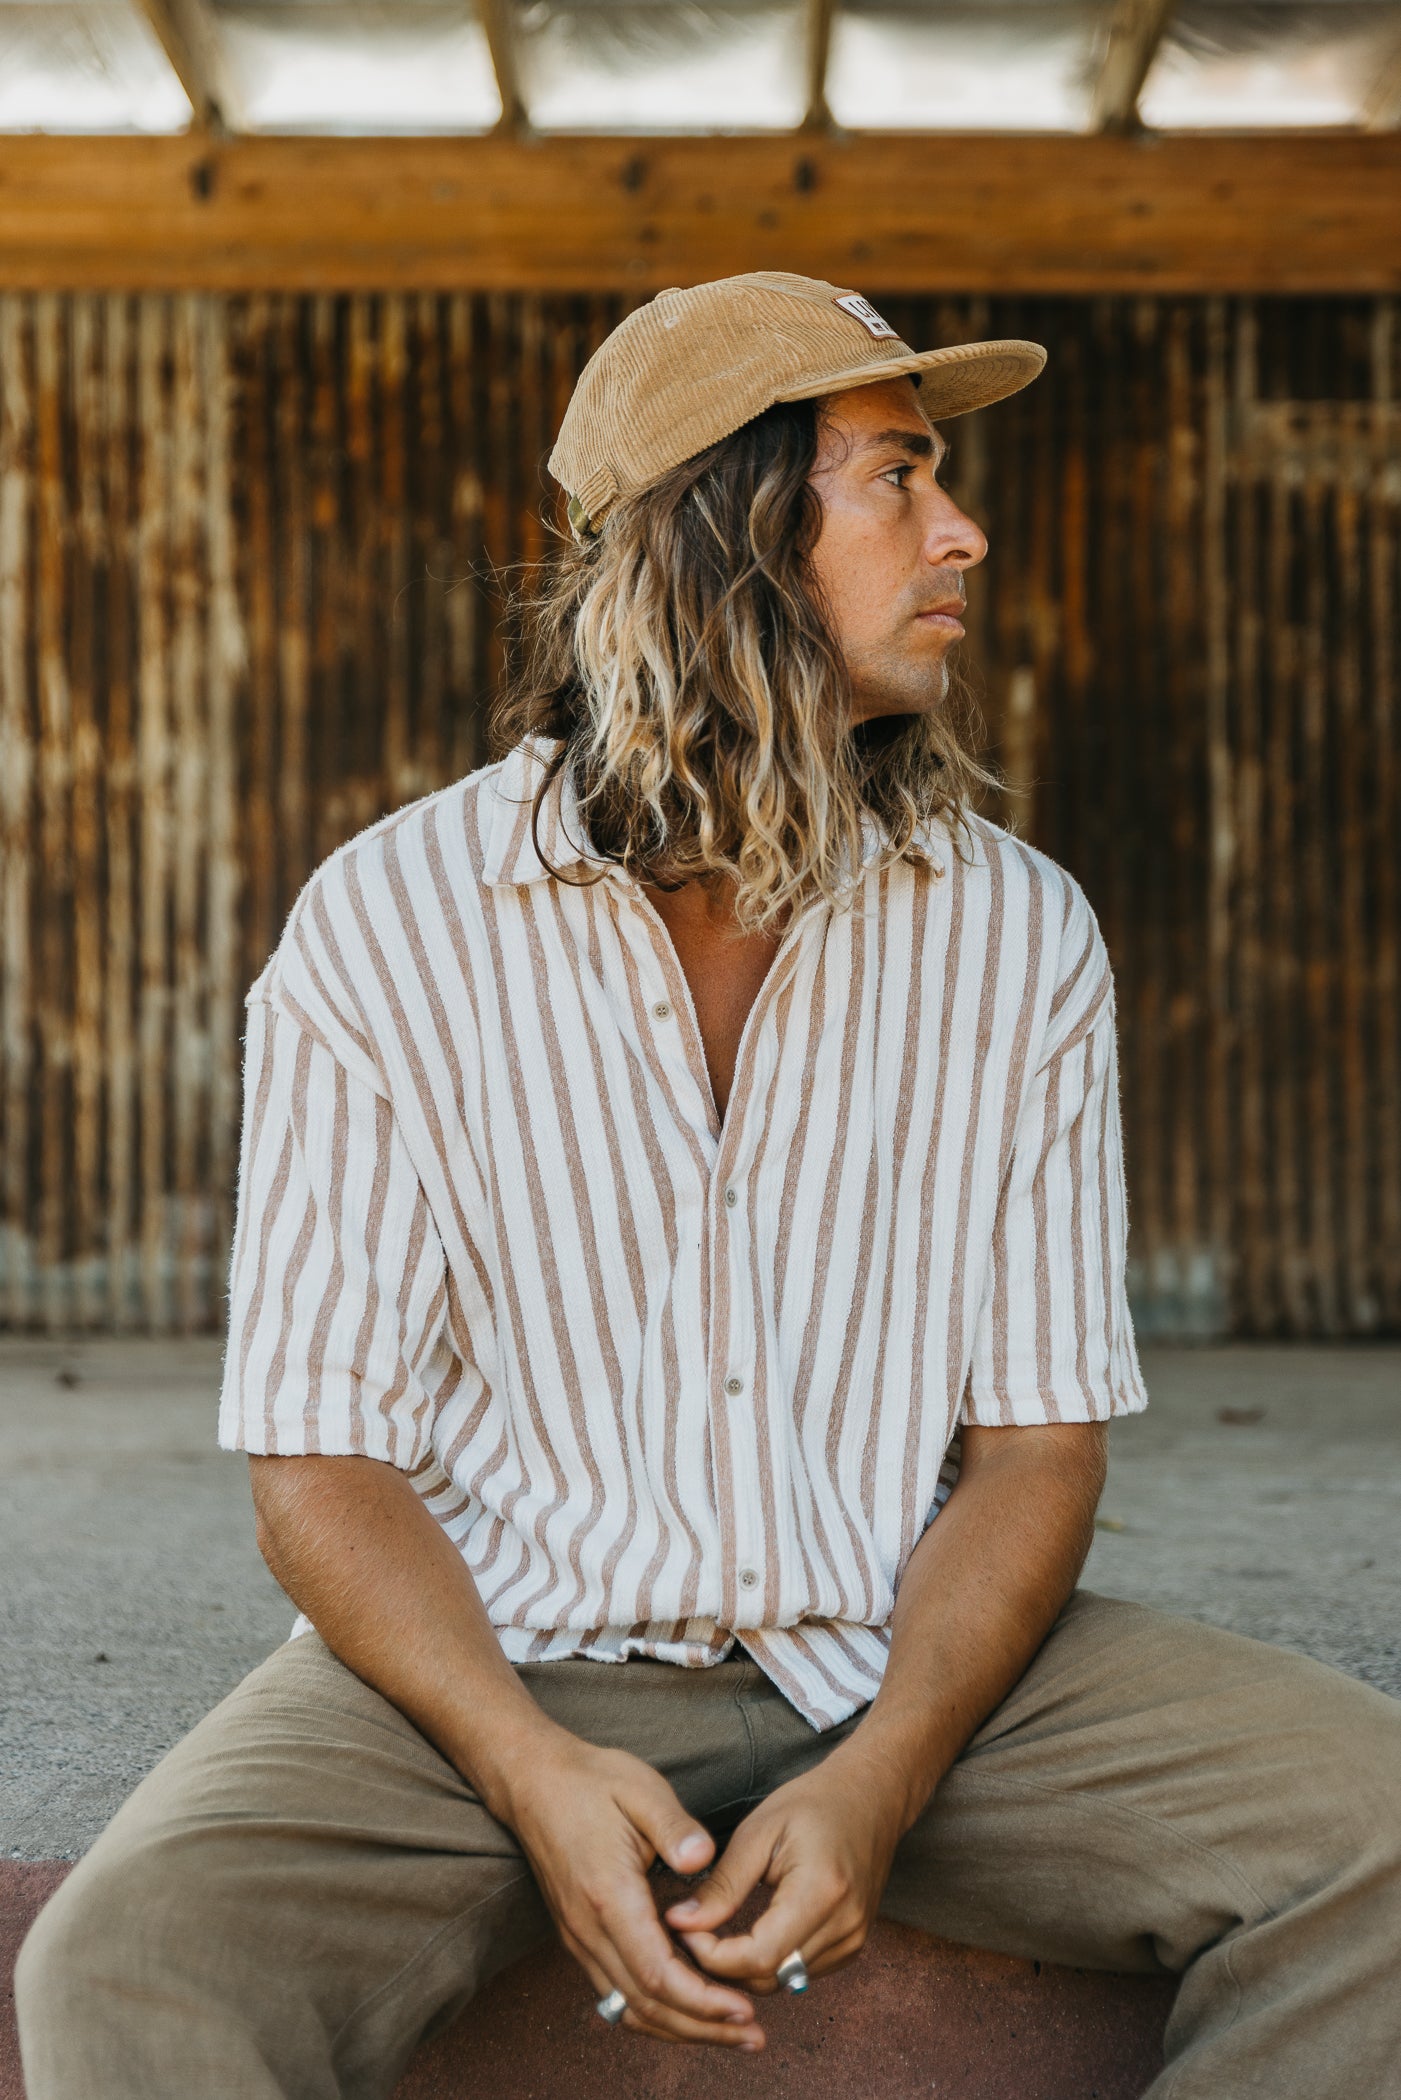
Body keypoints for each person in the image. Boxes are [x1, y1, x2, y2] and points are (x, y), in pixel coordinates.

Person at [16, 271, 1399, 2100]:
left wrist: (885, 1769)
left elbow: (1039, 1448)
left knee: (1378, 1840)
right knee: (128, 1964)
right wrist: (527, 1769)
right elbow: (319, 1465)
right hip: (482, 1676)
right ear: (719, 541)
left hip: (909, 1661)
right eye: (896, 477)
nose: (961, 529)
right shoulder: (387, 929)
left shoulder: (1016, 935)